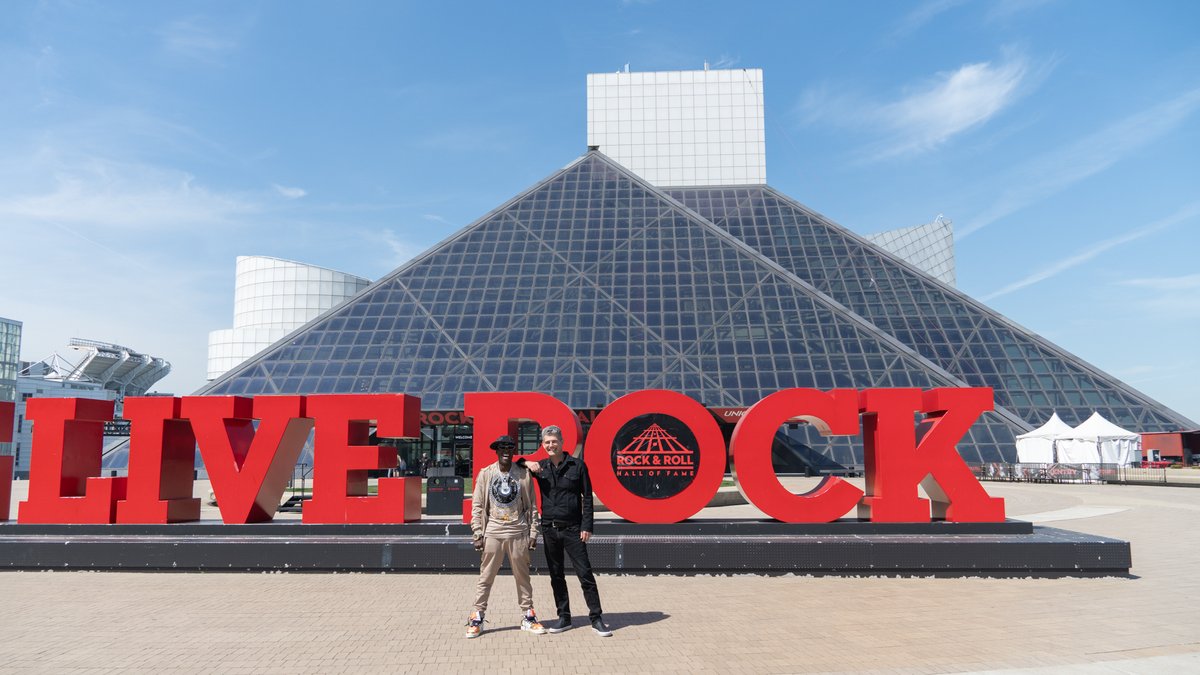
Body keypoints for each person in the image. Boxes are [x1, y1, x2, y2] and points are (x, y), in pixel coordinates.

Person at [521, 425, 612, 637]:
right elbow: (516, 462)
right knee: (556, 575)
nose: (551, 445)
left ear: (561, 442)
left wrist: (586, 526)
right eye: (547, 442)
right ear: (542, 445)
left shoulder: (577, 466)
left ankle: (596, 618)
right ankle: (564, 617)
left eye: (554, 441)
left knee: (585, 574)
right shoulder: (540, 467)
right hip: (549, 529)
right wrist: (527, 462)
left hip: (573, 529)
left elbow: (587, 497)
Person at [465, 435, 546, 639]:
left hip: (518, 531)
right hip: (493, 531)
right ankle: (477, 617)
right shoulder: (486, 473)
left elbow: (532, 506)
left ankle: (528, 616)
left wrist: (533, 532)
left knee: (523, 577)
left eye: (509, 448)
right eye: (502, 448)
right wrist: (477, 532)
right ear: (496, 451)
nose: (506, 451)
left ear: (513, 451)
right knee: (486, 576)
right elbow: (477, 505)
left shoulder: (523, 474)